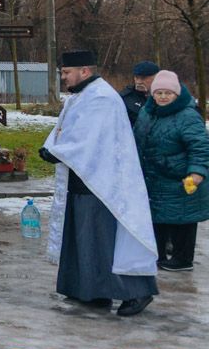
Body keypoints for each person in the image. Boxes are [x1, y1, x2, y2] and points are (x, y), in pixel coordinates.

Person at [41, 50, 158, 316]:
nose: (63, 78)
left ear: (84, 71)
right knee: (86, 237)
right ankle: (92, 290)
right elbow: (65, 130)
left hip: (103, 181)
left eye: (66, 73)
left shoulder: (101, 97)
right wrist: (50, 146)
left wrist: (56, 151)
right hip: (85, 177)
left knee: (107, 239)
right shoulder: (82, 96)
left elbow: (87, 139)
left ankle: (138, 292)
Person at [133, 69, 209, 271]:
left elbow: (200, 146)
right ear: (152, 94)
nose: (163, 97)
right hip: (153, 176)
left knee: (182, 218)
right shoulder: (147, 113)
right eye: (159, 93)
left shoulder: (187, 115)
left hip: (181, 178)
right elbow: (137, 138)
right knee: (157, 217)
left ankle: (182, 259)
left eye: (168, 93)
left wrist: (197, 171)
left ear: (176, 94)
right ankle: (157, 254)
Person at [120, 60, 159, 127]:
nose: (139, 82)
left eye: (143, 78)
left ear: (156, 78)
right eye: (136, 77)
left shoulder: (166, 96)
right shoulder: (125, 98)